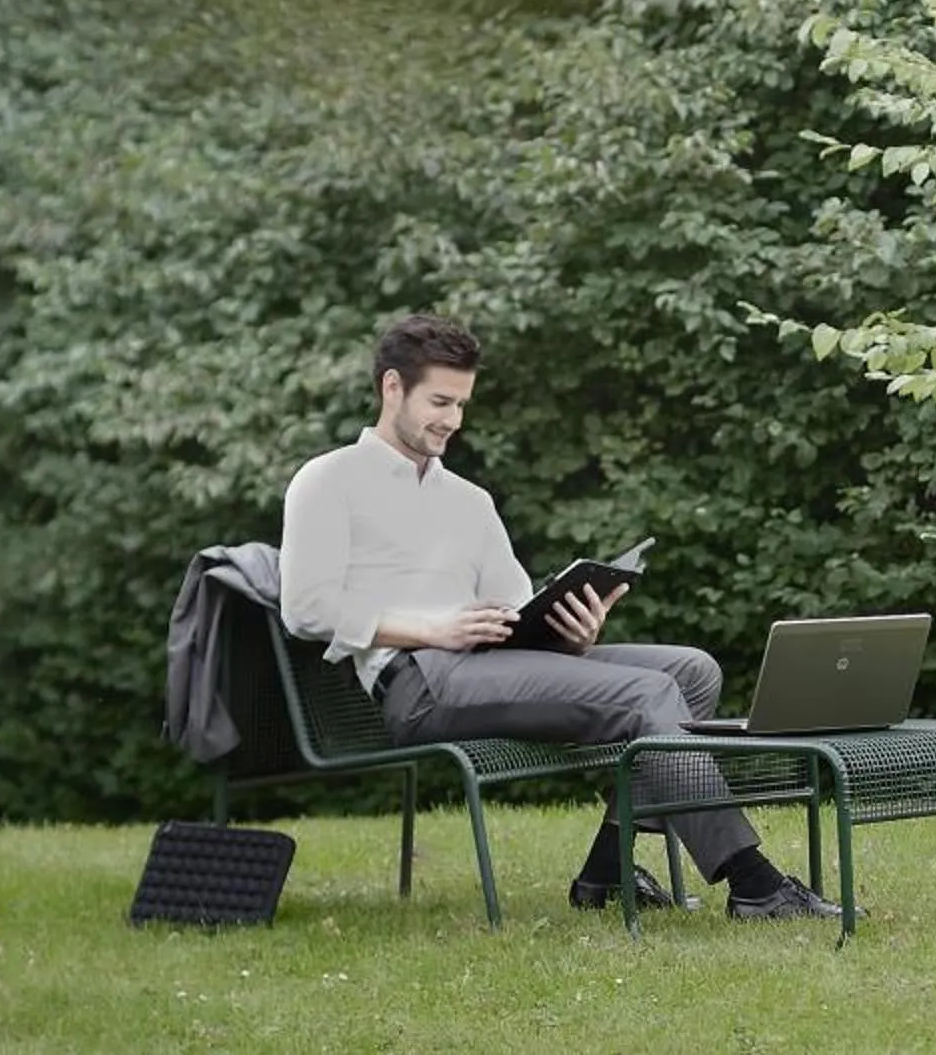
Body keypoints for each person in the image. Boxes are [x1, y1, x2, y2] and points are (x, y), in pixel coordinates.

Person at [279, 313, 838, 920]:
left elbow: (515, 605)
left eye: (462, 404)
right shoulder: (328, 480)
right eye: (440, 401)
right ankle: (753, 883)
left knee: (692, 672)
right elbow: (305, 608)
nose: (453, 421)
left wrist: (573, 634)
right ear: (393, 387)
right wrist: (433, 630)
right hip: (419, 682)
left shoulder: (468, 500)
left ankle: (607, 874)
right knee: (646, 693)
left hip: (495, 663)